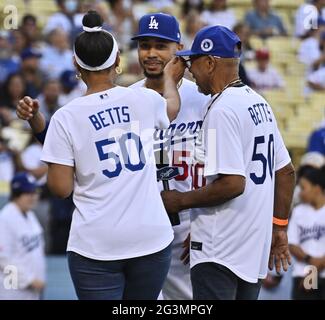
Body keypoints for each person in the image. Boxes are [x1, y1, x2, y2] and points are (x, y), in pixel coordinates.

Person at [16, 10, 182, 300]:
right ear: (118, 60)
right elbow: (171, 107)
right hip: (150, 237)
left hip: (96, 243)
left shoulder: (66, 118)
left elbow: (60, 188)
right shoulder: (144, 99)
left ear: (75, 64)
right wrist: (169, 78)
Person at [162, 25, 295, 300]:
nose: (189, 71)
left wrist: (179, 201)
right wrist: (279, 227)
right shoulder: (259, 102)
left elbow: (233, 184)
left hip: (220, 249)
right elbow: (286, 172)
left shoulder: (222, 108)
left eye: (194, 62)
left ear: (210, 63)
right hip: (251, 248)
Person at [130, 12, 209, 300]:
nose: (151, 53)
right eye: (144, 45)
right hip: (145, 227)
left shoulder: (203, 97)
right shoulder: (126, 99)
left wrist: (207, 223)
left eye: (160, 45)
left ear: (179, 49)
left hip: (194, 224)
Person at [0, 172, 45, 300]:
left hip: (32, 289)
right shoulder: (5, 219)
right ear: (16, 195)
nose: (33, 197)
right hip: (12, 291)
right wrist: (29, 280)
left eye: (34, 192)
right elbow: (3, 259)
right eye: (28, 193)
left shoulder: (29, 214)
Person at [288, 166, 325, 300]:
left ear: (317, 188)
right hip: (302, 274)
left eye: (304, 188)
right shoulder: (299, 211)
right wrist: (311, 262)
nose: (300, 193)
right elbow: (292, 244)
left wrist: (314, 269)